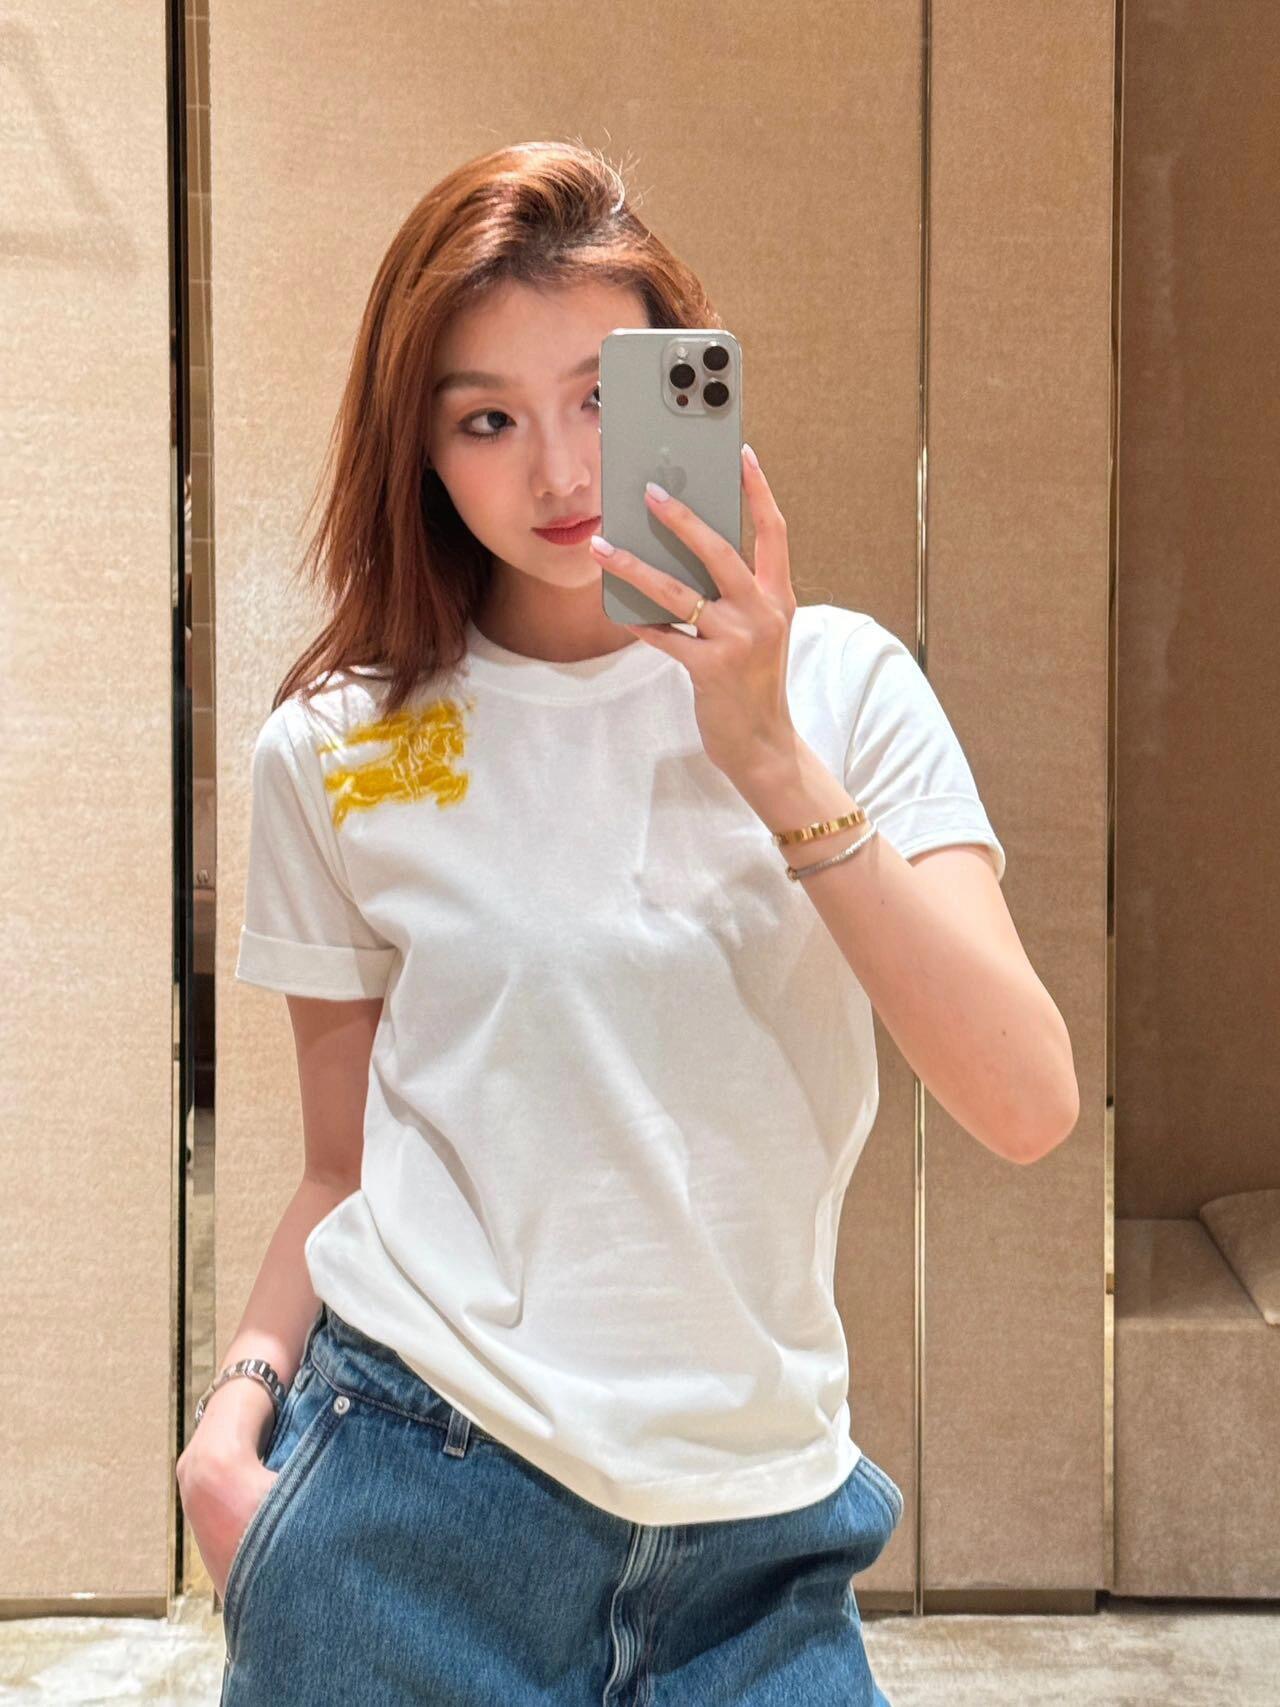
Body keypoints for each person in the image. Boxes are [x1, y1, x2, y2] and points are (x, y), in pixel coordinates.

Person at [177, 138, 1076, 1705]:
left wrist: (770, 757)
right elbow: (343, 1162)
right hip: (407, 1500)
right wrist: (235, 1413)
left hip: (760, 1539)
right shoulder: (337, 744)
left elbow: (1024, 1101)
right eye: (487, 419)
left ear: (688, 391)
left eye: (603, 397)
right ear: (419, 449)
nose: (561, 475)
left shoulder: (844, 691)